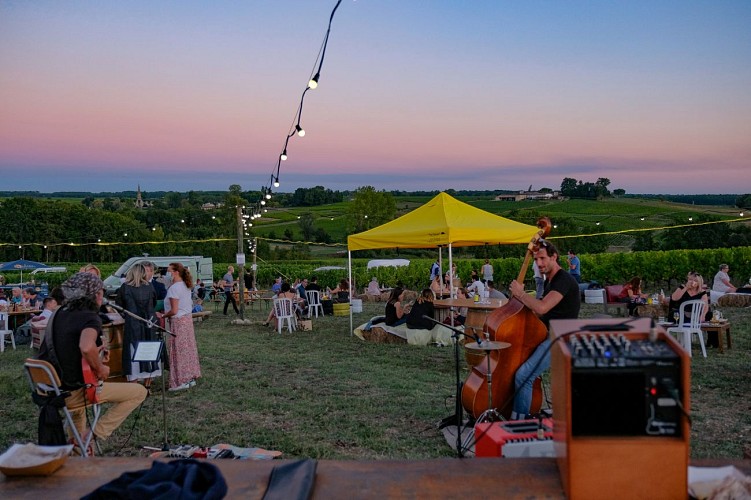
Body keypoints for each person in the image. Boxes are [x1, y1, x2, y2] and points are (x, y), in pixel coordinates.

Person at [38, 272, 147, 451]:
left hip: (49, 390)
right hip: (72, 392)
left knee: (79, 412)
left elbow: (69, 349)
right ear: (97, 294)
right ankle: (94, 433)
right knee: (139, 392)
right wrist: (101, 367)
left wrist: (98, 353)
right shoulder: (89, 317)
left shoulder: (58, 314)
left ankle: (79, 449)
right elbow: (86, 347)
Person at [508, 240, 580, 420]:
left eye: (542, 258)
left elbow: (542, 308)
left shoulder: (563, 280)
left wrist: (521, 294)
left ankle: (519, 423)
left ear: (554, 257)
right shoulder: (551, 280)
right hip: (551, 336)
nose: (539, 263)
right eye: (535, 259)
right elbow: (538, 313)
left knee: (523, 376)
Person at [157, 263, 201, 391]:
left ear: (176, 272)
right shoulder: (185, 285)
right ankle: (189, 377)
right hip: (187, 320)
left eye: (170, 271)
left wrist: (163, 315)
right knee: (187, 349)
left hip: (178, 321)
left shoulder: (174, 288)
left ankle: (180, 380)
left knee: (178, 350)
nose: (168, 274)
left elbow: (174, 310)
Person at [116, 263, 161, 386]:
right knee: (148, 351)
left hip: (132, 324)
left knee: (133, 354)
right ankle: (147, 385)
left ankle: (134, 385)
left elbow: (119, 306)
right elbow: (154, 302)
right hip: (148, 323)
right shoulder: (149, 287)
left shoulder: (125, 287)